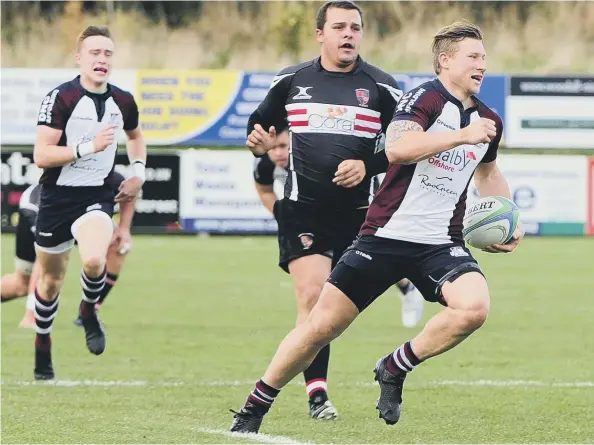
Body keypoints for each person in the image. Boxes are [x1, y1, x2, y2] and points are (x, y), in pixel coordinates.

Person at [230, 20, 524, 433]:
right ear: (445, 61)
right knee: (320, 326)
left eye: (484, 57)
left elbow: (488, 172)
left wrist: (508, 217)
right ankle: (254, 407)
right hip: (384, 236)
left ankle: (393, 366)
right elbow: (398, 147)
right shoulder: (423, 98)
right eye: (473, 56)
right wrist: (460, 136)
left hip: (441, 242)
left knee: (474, 308)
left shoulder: (487, 119)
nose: (482, 64)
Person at [242, 0, 404, 420]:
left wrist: (370, 164)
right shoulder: (292, 80)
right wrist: (257, 140)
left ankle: (407, 292)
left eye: (355, 27)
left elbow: (408, 146)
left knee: (333, 314)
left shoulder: (383, 87)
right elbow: (259, 125)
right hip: (303, 210)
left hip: (358, 215)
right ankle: (317, 395)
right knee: (312, 299)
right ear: (320, 34)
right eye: (339, 27)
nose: (348, 34)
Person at [31, 25, 146, 380]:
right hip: (56, 197)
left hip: (96, 195)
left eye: (108, 53)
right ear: (79, 58)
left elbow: (136, 137)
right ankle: (43, 345)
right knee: (50, 282)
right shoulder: (61, 98)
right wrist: (88, 147)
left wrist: (138, 171)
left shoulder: (123, 100)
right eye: (95, 53)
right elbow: (41, 155)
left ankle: (88, 308)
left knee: (95, 258)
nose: (102, 59)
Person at [254, 124, 424, 328]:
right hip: (310, 216)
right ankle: (313, 335)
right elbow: (264, 190)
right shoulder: (264, 163)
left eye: (283, 146)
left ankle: (406, 286)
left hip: (354, 206)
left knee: (372, 259)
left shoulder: (318, 154)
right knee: (315, 290)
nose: (278, 153)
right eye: (273, 148)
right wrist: (283, 217)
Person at [0, 172, 137, 330]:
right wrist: (31, 315)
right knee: (22, 283)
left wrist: (124, 229)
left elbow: (130, 191)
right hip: (39, 210)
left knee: (119, 247)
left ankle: (89, 313)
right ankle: (33, 314)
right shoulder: (66, 175)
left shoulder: (105, 173)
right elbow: (43, 260)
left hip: (84, 217)